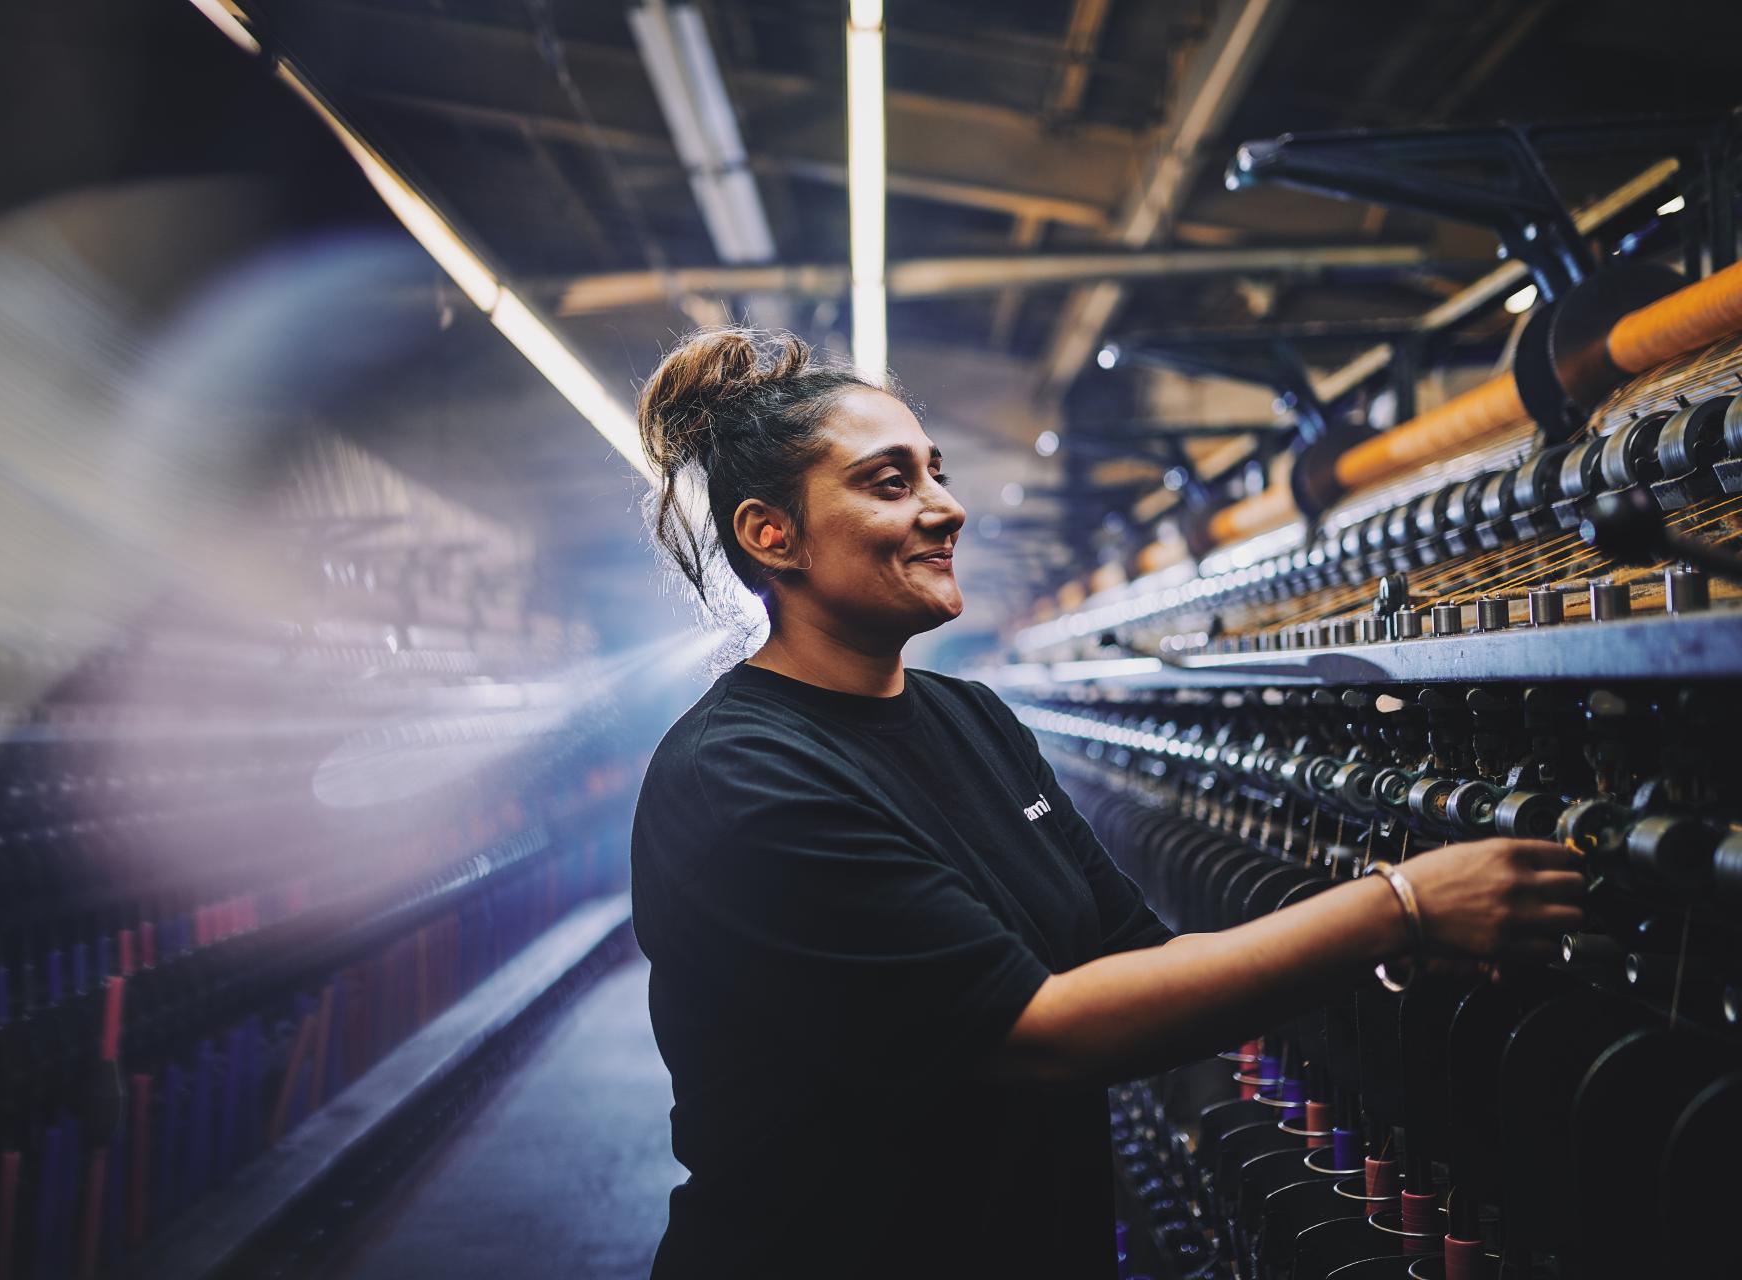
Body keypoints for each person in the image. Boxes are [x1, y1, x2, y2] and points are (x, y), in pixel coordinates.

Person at [627, 328, 1585, 1278]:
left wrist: (1411, 945)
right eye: (891, 482)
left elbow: (1145, 962)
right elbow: (1040, 1032)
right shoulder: (742, 778)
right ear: (770, 534)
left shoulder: (970, 719)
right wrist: (1399, 908)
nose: (946, 508)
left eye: (937, 472)